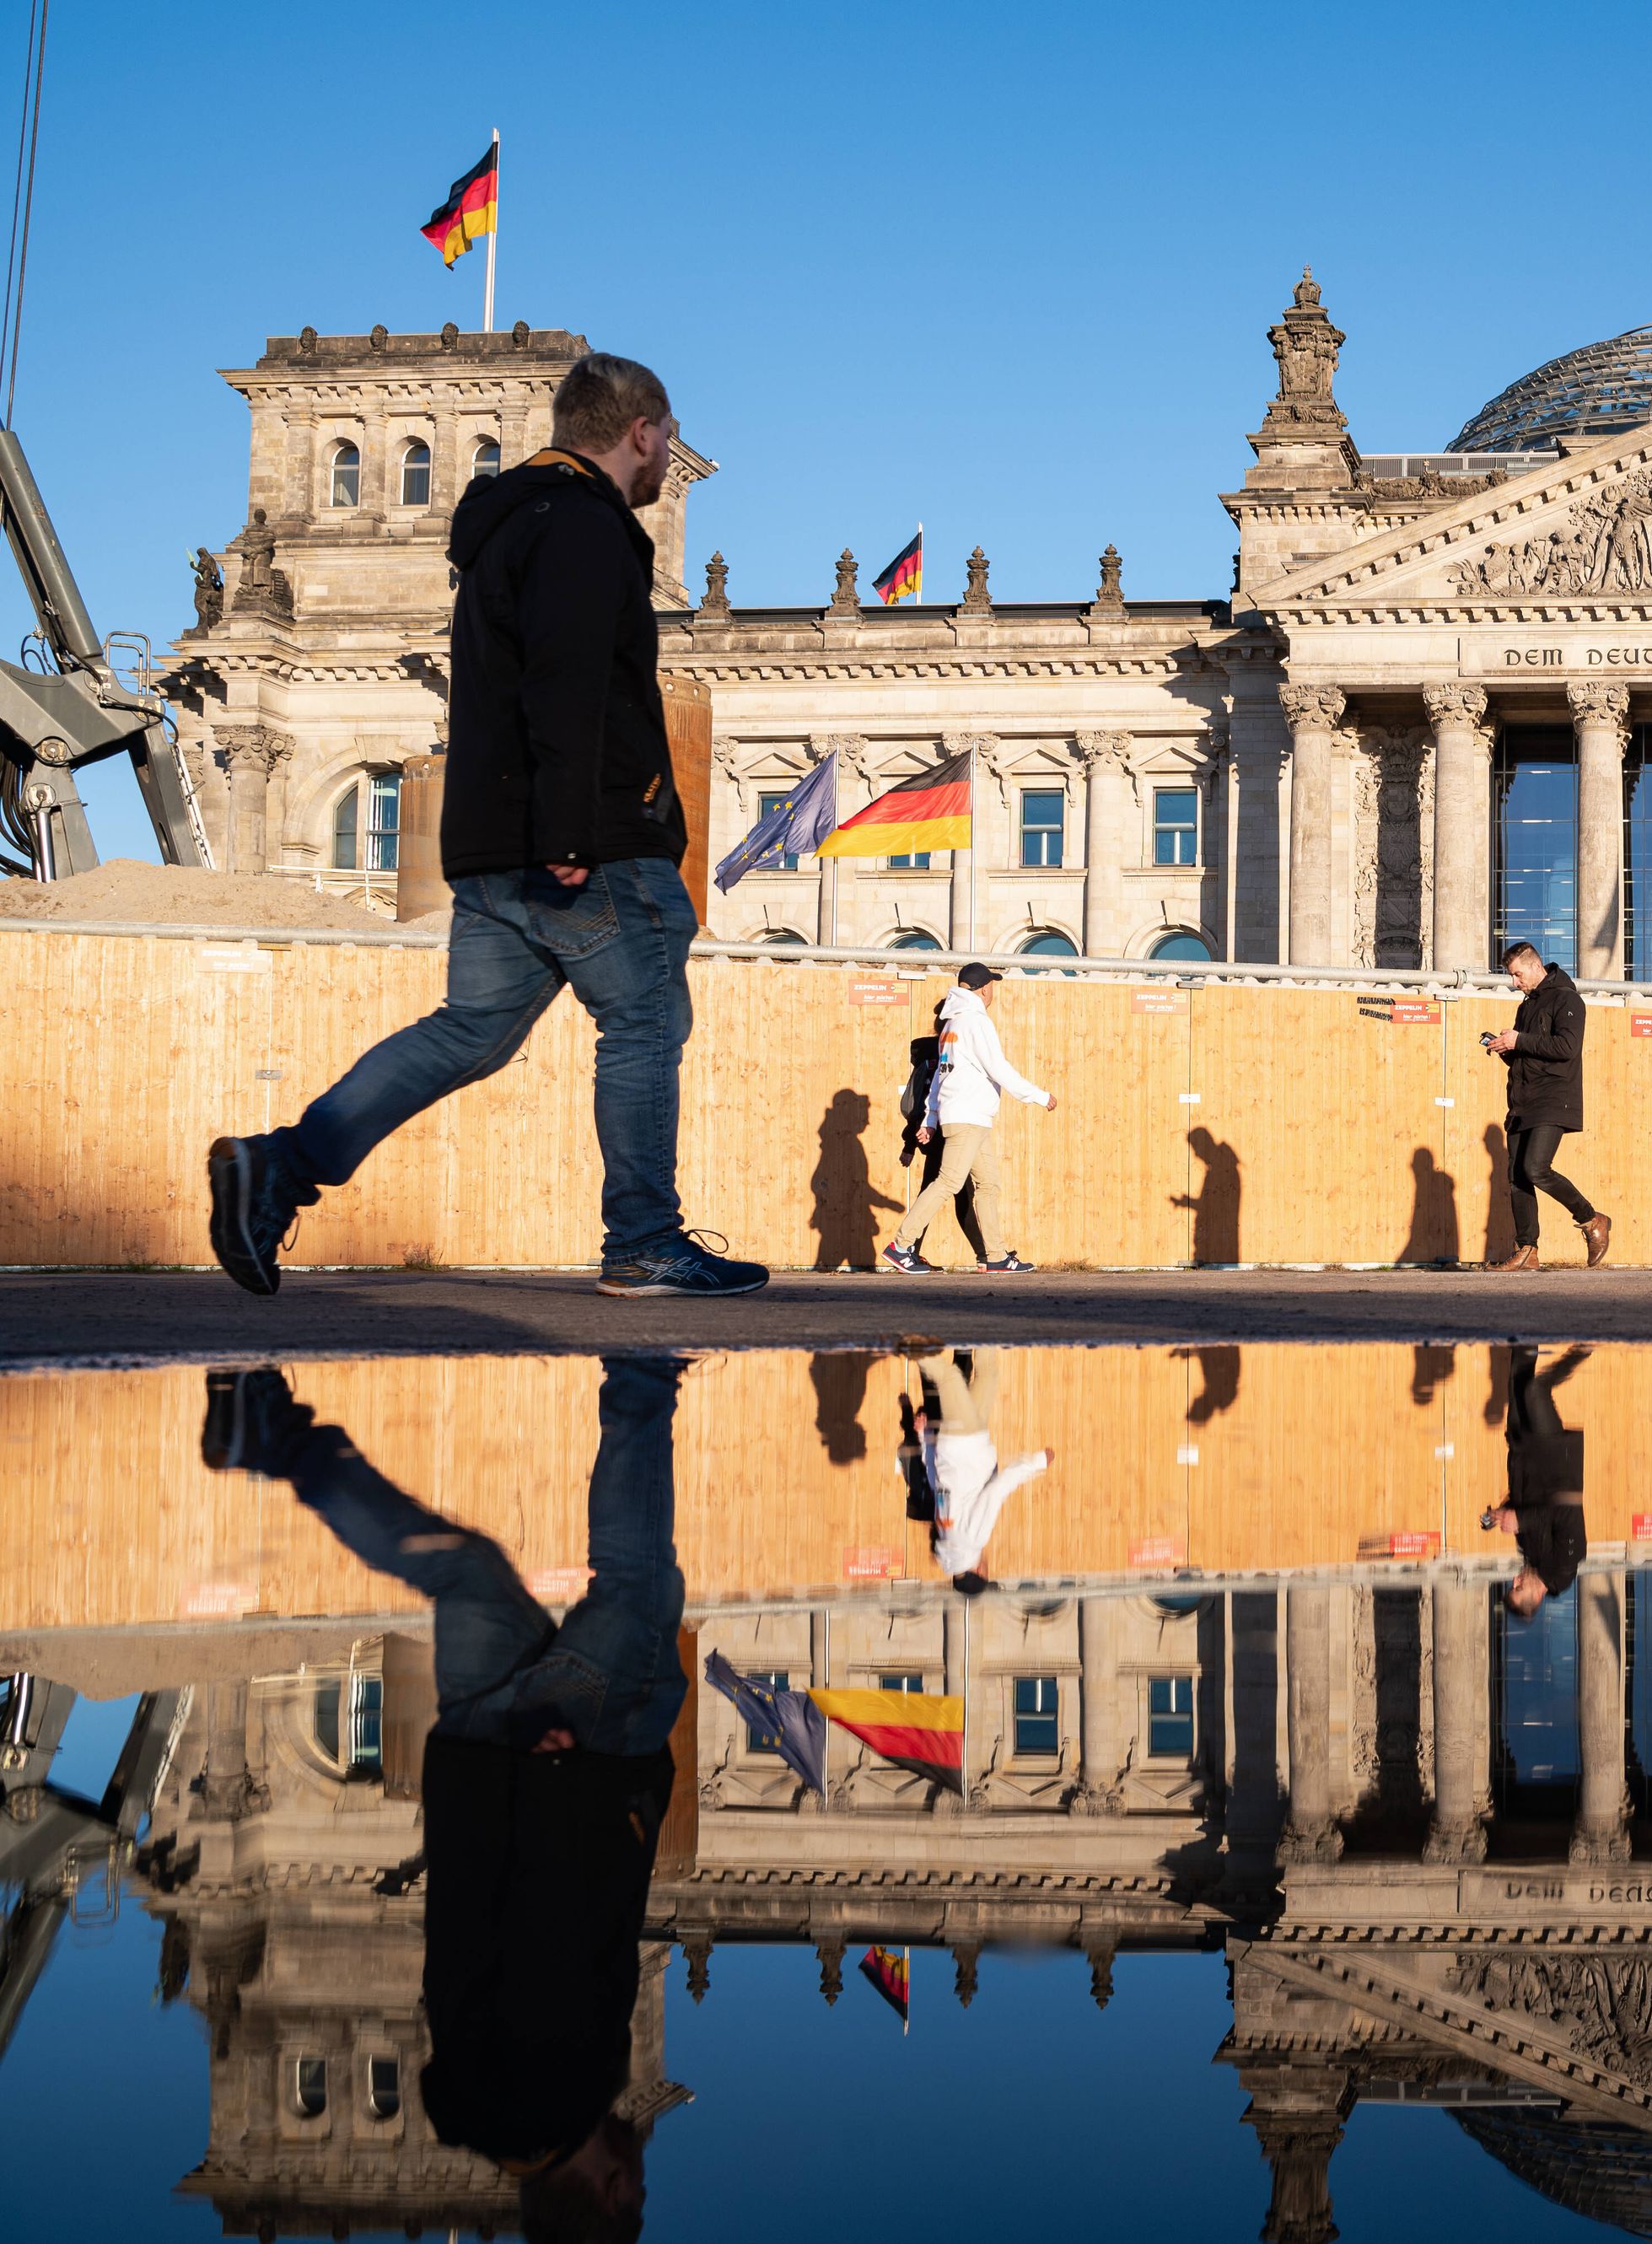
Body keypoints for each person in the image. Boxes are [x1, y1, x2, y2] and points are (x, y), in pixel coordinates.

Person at [206, 353, 765, 1300]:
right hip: (582, 844)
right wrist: (571, 833)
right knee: (643, 1022)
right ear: (639, 429)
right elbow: (568, 682)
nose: (671, 460)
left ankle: (282, 1168)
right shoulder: (584, 527)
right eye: (668, 438)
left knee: (468, 1032)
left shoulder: (507, 529)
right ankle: (643, 1240)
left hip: (492, 847)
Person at [201, 1354, 688, 2241]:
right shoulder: (471, 2102)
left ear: (612, 2198)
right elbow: (465, 1929)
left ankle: (642, 1374)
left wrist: (551, 1785)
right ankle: (274, 1440)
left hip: (573, 1760)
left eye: (638, 2192)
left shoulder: (565, 2089)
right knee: (462, 1570)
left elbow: (555, 1931)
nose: (642, 2171)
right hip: (477, 1756)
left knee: (639, 1592)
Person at [884, 963, 1058, 1274]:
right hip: (968, 1115)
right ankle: (900, 1245)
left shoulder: (952, 1024)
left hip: (969, 1116)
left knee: (988, 1184)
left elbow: (940, 1076)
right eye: (992, 986)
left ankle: (996, 1255)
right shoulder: (975, 1022)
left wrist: (932, 1118)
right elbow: (998, 1067)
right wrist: (1039, 1096)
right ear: (984, 988)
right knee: (949, 1181)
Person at [1482, 941, 1610, 1272]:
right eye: (1511, 976)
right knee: (1516, 1176)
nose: (1514, 982)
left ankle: (1592, 1219)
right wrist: (1507, 1049)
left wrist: (1519, 1040)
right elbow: (1532, 1052)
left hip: (1553, 1098)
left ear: (1536, 967)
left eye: (1517, 975)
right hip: (1523, 1100)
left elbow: (1567, 1047)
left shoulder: (1567, 999)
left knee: (1536, 1168)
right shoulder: (1526, 1006)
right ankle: (1528, 1251)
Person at [907, 1345, 1052, 1591]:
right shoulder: (946, 1534)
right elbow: (938, 1482)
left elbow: (996, 1491)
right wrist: (925, 1438)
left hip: (965, 1441)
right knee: (988, 1375)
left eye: (987, 1571)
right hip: (971, 1439)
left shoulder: (973, 1539)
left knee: (949, 1377)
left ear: (980, 1572)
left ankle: (909, 1341)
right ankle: (984, 1330)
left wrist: (1037, 1463)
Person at [1485, 1341, 1590, 1617]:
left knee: (1517, 1379)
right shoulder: (1565, 1565)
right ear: (1537, 1596)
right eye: (1519, 1588)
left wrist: (1502, 1513)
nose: (1515, 1580)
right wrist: (1520, 1520)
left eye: (1513, 1585)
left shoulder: (1531, 1557)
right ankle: (1582, 1351)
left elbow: (1526, 1505)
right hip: (1552, 1458)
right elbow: (1566, 1512)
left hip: (1524, 1452)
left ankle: (1526, 1328)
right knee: (1536, 1390)